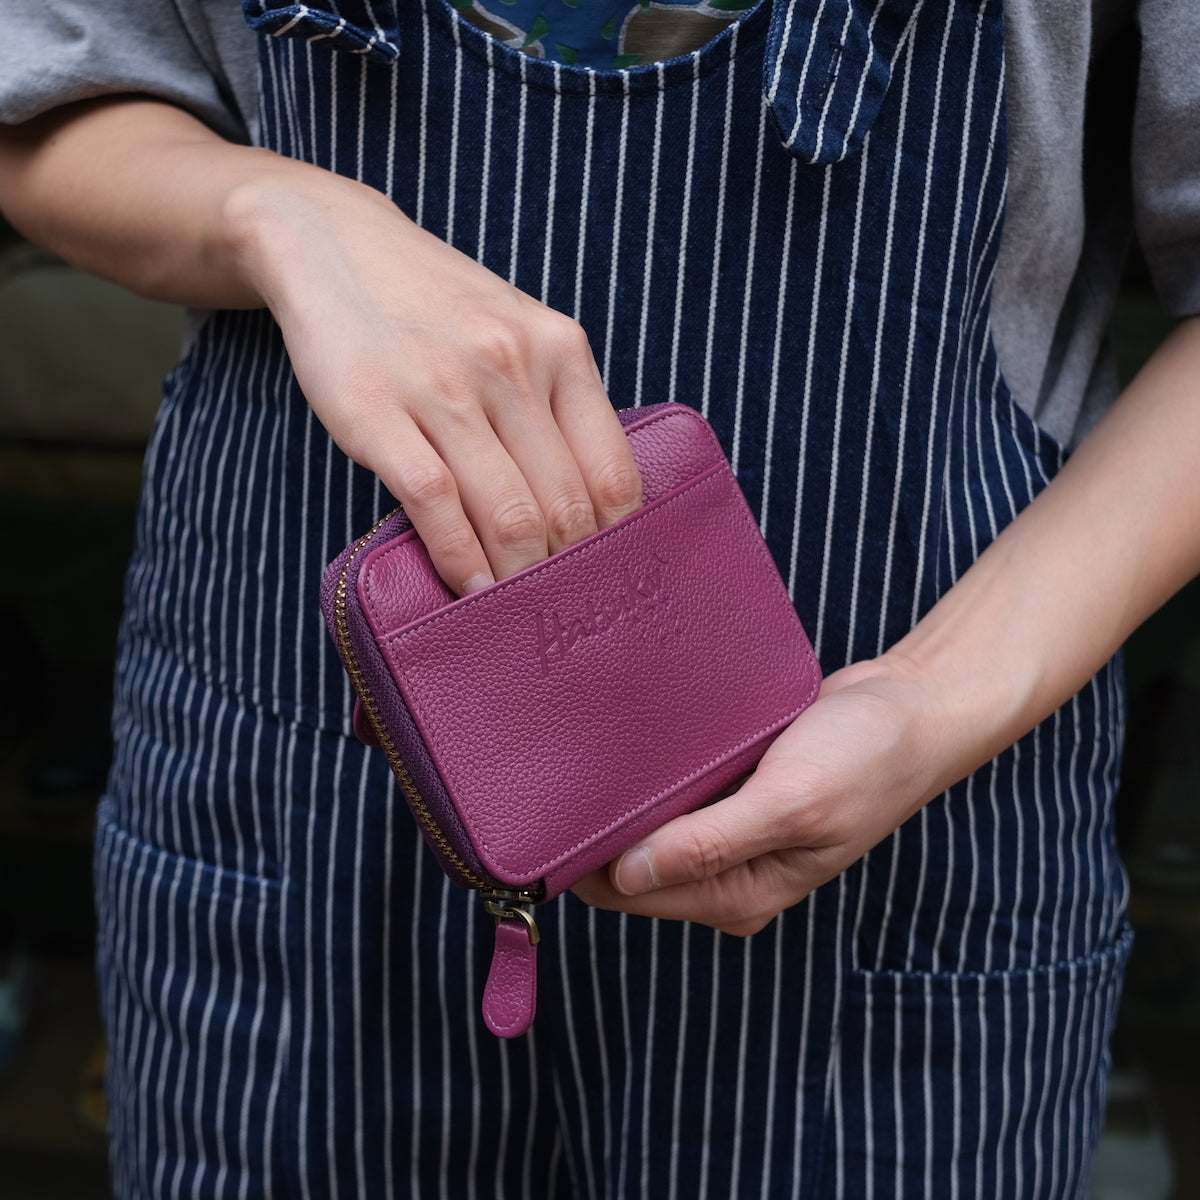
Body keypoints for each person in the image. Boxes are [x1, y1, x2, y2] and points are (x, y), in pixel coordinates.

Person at [1, 0, 1198, 1195]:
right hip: (287, 825)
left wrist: (931, 701)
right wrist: (282, 213)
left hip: (904, 859)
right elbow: (45, 104)